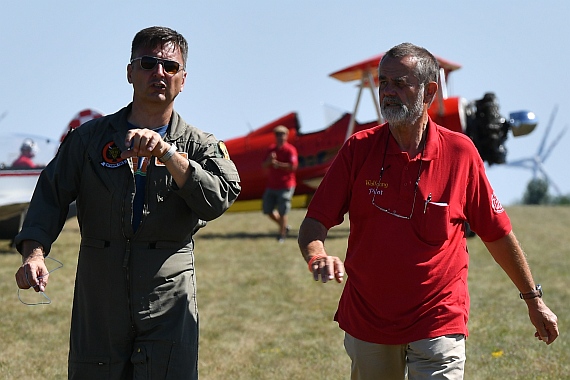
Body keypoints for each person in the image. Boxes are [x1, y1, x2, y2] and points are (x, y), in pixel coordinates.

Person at [297, 42, 558, 379]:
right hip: (369, 320)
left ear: (429, 90)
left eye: (400, 83)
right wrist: (317, 255)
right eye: (383, 83)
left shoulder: (461, 152)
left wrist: (533, 299)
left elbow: (496, 232)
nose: (388, 92)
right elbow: (314, 222)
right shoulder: (357, 149)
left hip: (439, 319)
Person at [14, 26, 240, 379]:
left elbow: (218, 198)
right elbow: (50, 196)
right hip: (99, 294)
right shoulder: (89, 139)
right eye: (148, 63)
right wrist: (34, 253)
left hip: (168, 294)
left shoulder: (199, 144)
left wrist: (169, 154)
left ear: (184, 79)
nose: (159, 73)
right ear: (130, 72)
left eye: (170, 66)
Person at [262, 125, 298, 242]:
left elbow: (293, 166)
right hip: (272, 185)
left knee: (283, 211)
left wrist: (278, 164)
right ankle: (284, 226)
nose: (280, 137)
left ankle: (281, 235)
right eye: (277, 135)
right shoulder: (271, 149)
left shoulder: (290, 150)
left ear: (286, 136)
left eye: (282, 134)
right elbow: (264, 165)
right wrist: (270, 161)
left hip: (286, 185)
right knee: (267, 209)